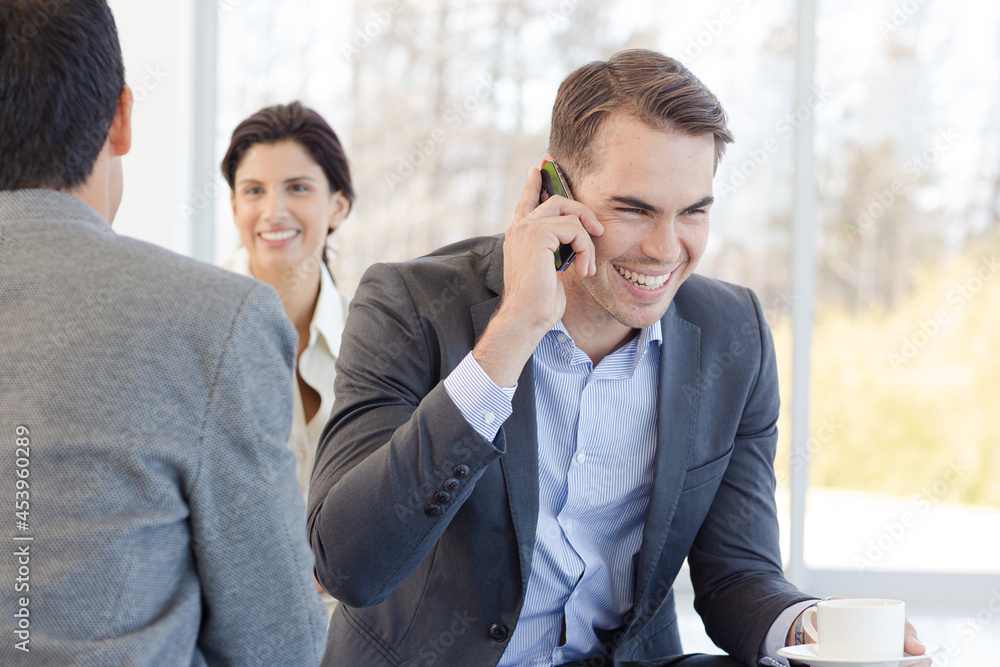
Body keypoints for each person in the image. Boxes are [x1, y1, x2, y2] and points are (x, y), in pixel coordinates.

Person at [307, 50, 925, 666]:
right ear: (554, 191)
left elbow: (737, 574)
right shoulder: (410, 304)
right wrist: (514, 331)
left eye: (694, 212)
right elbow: (350, 565)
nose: (664, 249)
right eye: (634, 209)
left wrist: (809, 627)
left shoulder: (734, 334)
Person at [0, 2, 326, 665]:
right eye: (254, 189)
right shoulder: (214, 320)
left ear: (336, 204)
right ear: (121, 116)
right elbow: (280, 644)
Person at [220, 101, 354, 614]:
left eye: (297, 187)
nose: (273, 211)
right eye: (254, 190)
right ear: (234, 207)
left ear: (338, 205)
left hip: (348, 631)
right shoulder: (188, 330)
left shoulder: (380, 335)